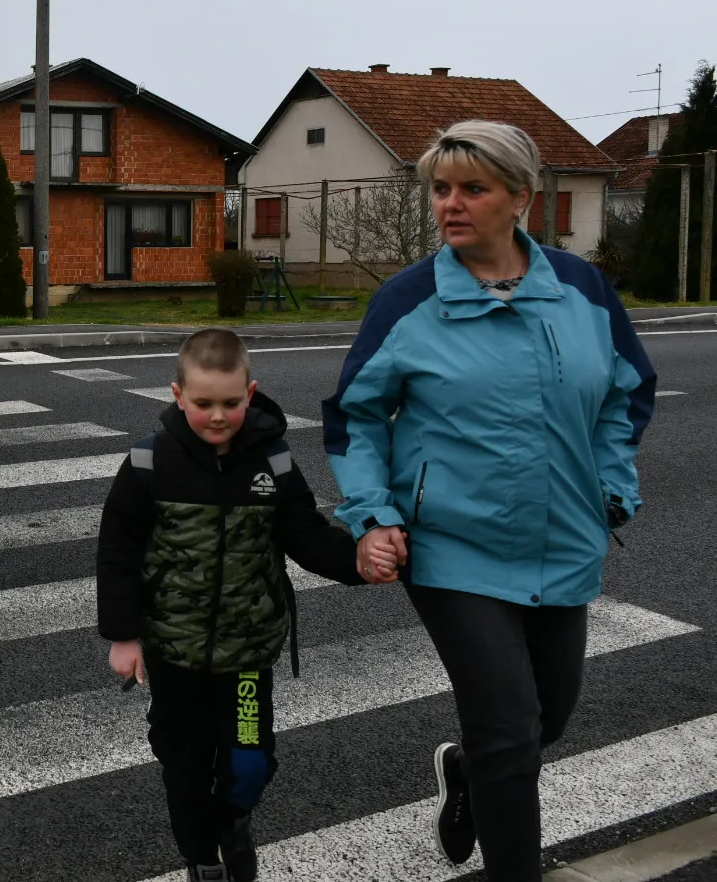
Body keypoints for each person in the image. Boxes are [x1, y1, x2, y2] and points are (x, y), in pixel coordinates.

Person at [323, 121, 656, 882]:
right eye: (441, 189)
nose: (451, 204)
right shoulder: (408, 300)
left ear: (521, 199)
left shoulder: (581, 288)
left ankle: (469, 776)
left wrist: (611, 487)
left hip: (565, 536)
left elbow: (626, 395)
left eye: (473, 188)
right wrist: (374, 515)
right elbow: (354, 417)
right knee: (510, 731)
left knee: (548, 719)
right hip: (452, 546)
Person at [98, 328, 379, 882]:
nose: (218, 415)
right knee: (184, 769)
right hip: (173, 653)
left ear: (250, 393)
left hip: (247, 654)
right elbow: (117, 551)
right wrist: (124, 637)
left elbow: (306, 535)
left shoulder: (271, 462)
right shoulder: (149, 464)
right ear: (178, 396)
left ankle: (232, 821)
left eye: (230, 402)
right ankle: (202, 862)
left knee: (249, 765)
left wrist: (360, 563)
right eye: (203, 404)